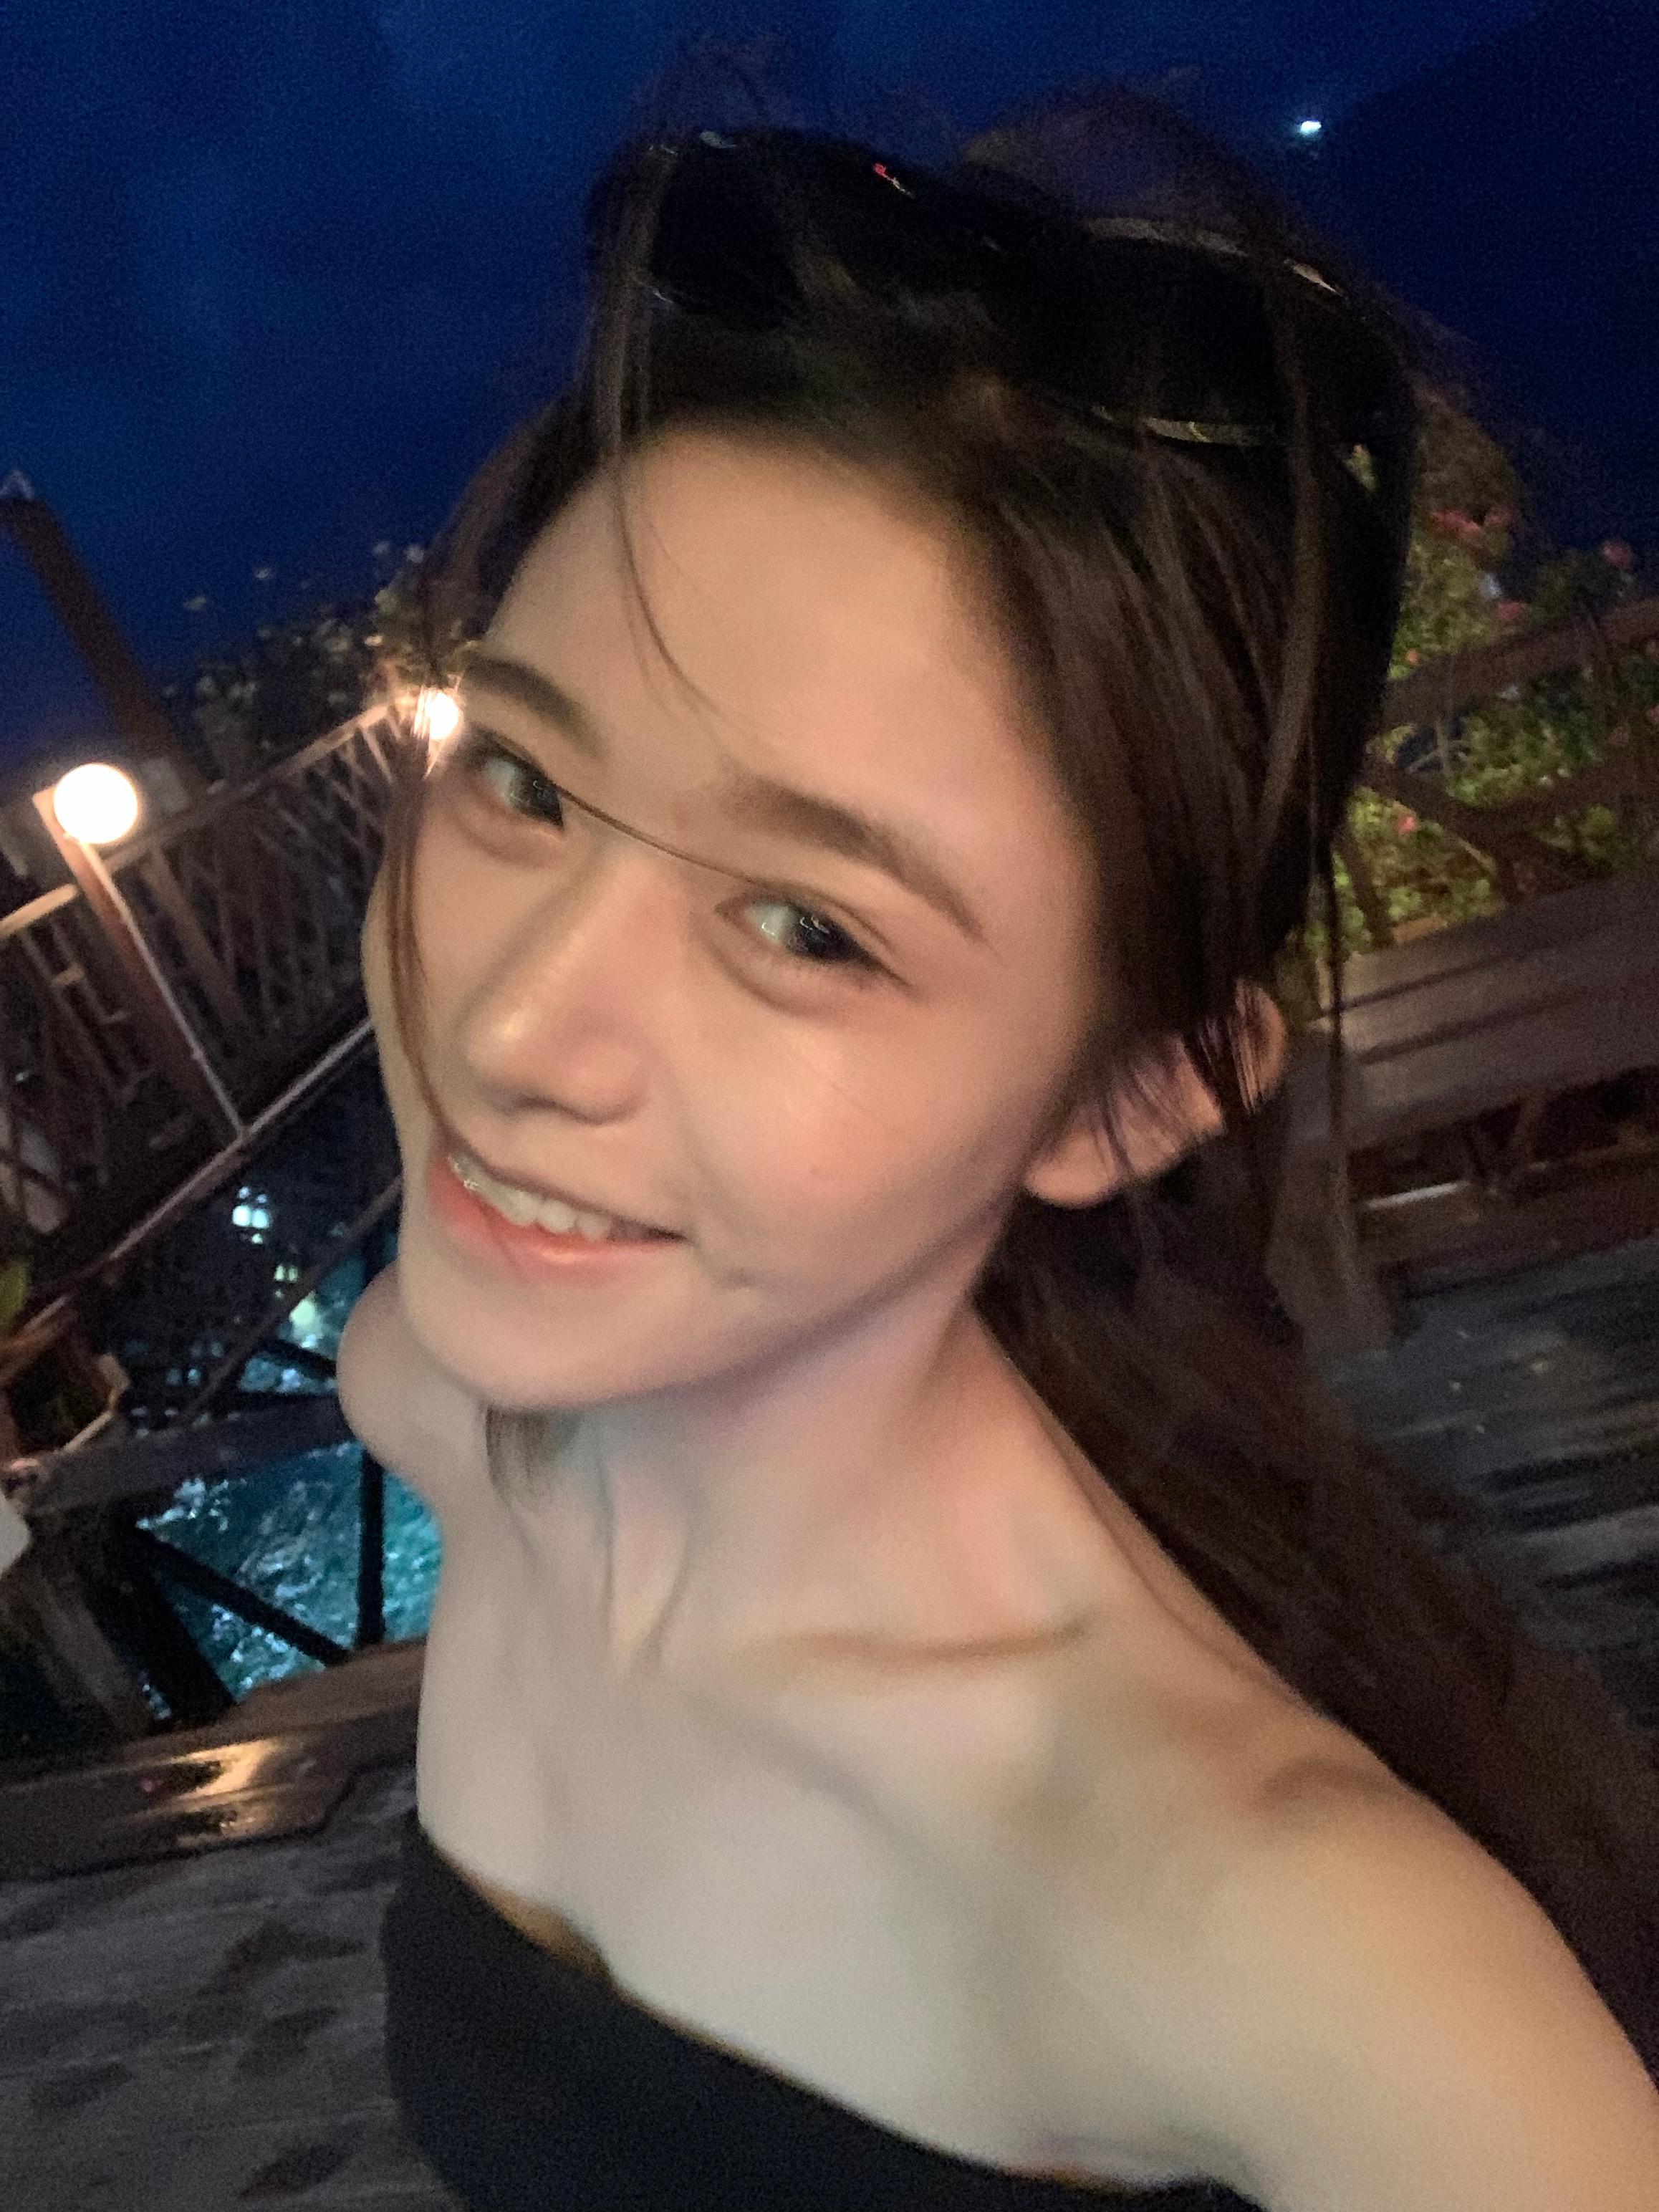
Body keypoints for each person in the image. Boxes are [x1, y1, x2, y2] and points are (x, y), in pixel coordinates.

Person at [339, 76, 1659, 2212]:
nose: (508, 1032)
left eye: (806, 928)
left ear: (1128, 1095)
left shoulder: (1307, 1959)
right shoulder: (443, 1408)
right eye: (523, 782)